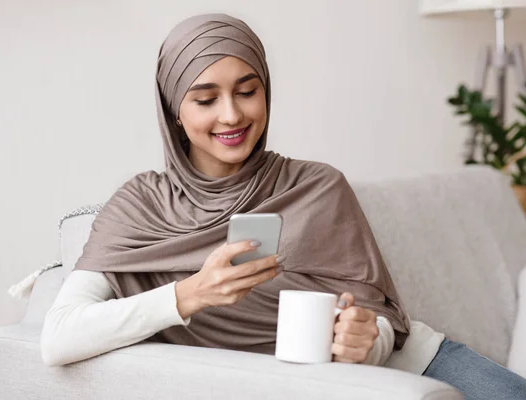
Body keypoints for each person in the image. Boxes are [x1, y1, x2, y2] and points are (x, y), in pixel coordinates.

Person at [40, 13, 526, 399]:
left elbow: (381, 324)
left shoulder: (317, 186)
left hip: (418, 367)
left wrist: (365, 339)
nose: (232, 114)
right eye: (205, 99)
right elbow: (58, 337)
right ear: (174, 112)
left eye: (247, 92)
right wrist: (193, 293)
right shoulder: (139, 206)